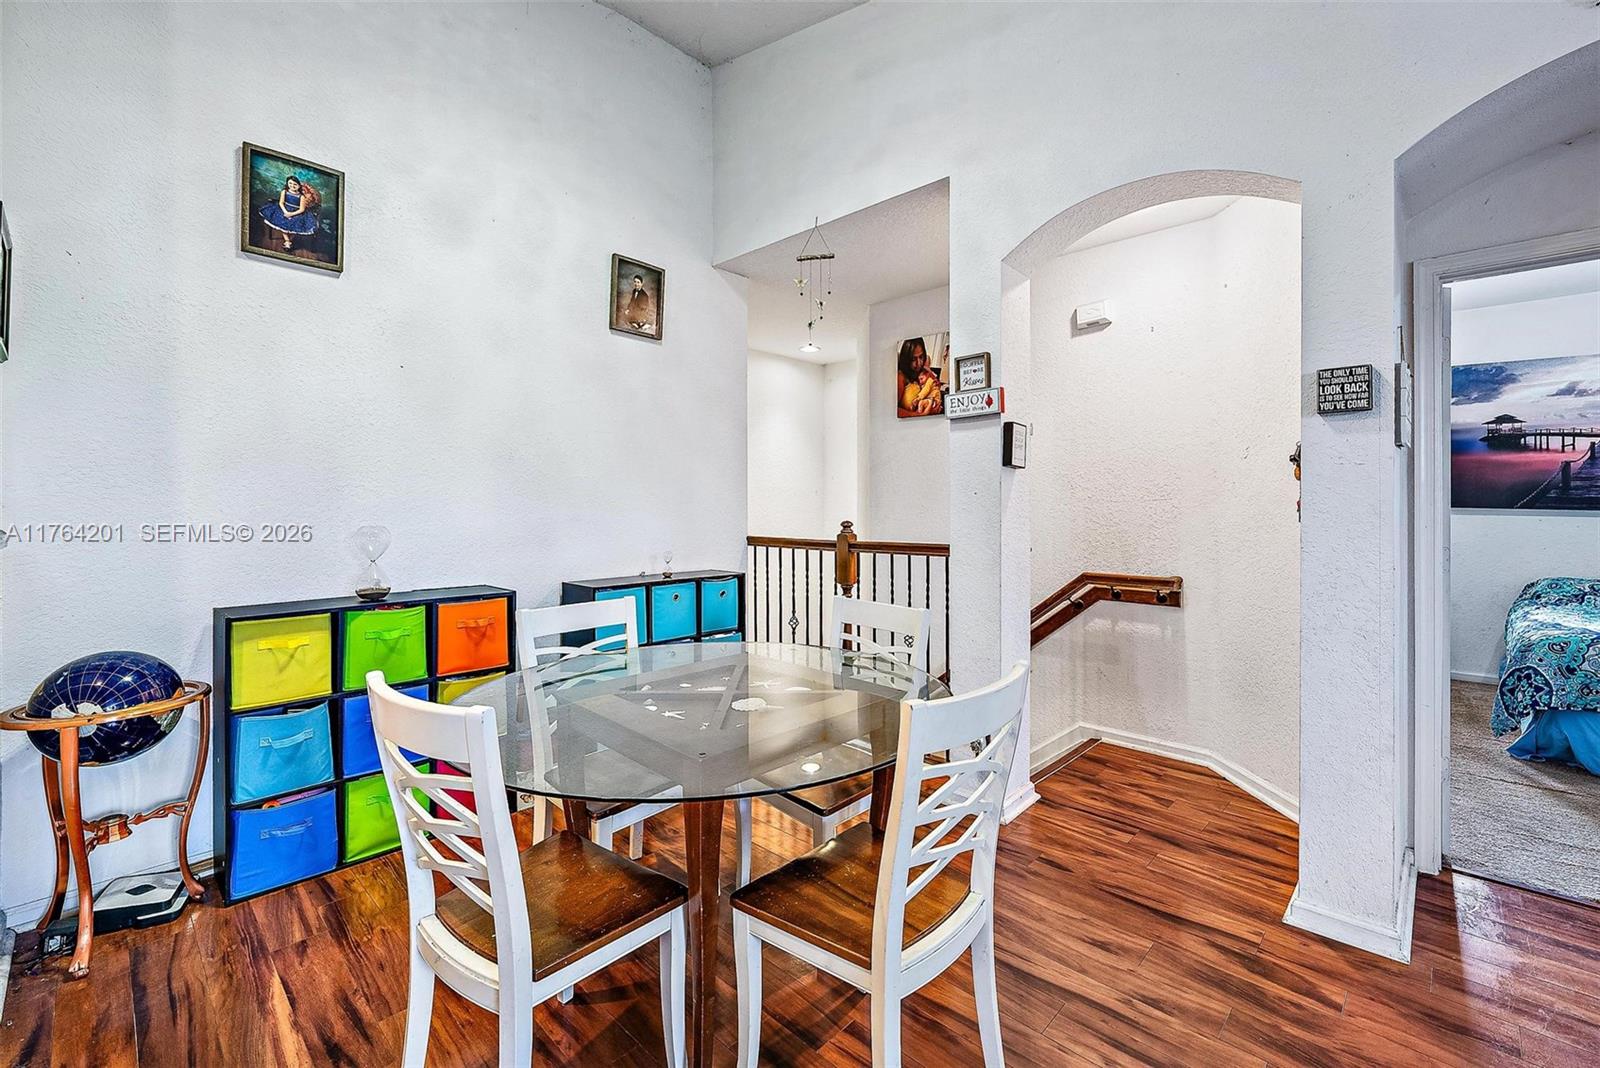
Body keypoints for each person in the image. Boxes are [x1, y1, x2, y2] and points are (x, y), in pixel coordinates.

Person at [258, 175, 320, 252]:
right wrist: (285, 212)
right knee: (282, 222)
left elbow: (301, 209)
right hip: (284, 209)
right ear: (287, 183)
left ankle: (289, 239)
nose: (292, 186)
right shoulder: (284, 192)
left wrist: (291, 214)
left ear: (299, 186)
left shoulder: (301, 197)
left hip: (296, 212)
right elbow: (281, 203)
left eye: (295, 184)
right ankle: (287, 241)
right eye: (290, 183)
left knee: (295, 222)